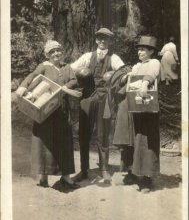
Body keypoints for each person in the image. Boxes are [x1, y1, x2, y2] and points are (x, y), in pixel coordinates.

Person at [16, 40, 80, 190]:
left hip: (62, 112)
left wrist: (65, 86)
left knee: (64, 142)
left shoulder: (66, 67)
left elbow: (74, 80)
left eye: (58, 51)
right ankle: (43, 177)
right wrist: (23, 87)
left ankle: (66, 177)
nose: (56, 54)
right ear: (47, 55)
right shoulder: (44, 66)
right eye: (52, 52)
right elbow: (32, 76)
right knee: (43, 142)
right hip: (44, 112)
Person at [67, 28, 124, 184]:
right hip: (86, 98)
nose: (102, 41)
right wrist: (80, 73)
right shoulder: (87, 56)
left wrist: (114, 76)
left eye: (106, 39)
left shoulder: (114, 58)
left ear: (110, 41)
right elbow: (71, 69)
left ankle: (104, 169)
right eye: (100, 38)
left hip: (104, 98)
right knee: (83, 134)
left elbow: (124, 72)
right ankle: (84, 170)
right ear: (96, 40)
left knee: (102, 134)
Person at [111, 36, 161, 193]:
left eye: (143, 49)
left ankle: (146, 179)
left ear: (151, 51)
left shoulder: (154, 63)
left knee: (145, 141)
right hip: (133, 109)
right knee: (130, 141)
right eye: (139, 49)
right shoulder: (136, 66)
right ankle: (132, 173)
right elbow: (126, 81)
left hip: (147, 108)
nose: (140, 52)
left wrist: (145, 83)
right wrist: (126, 77)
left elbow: (152, 74)